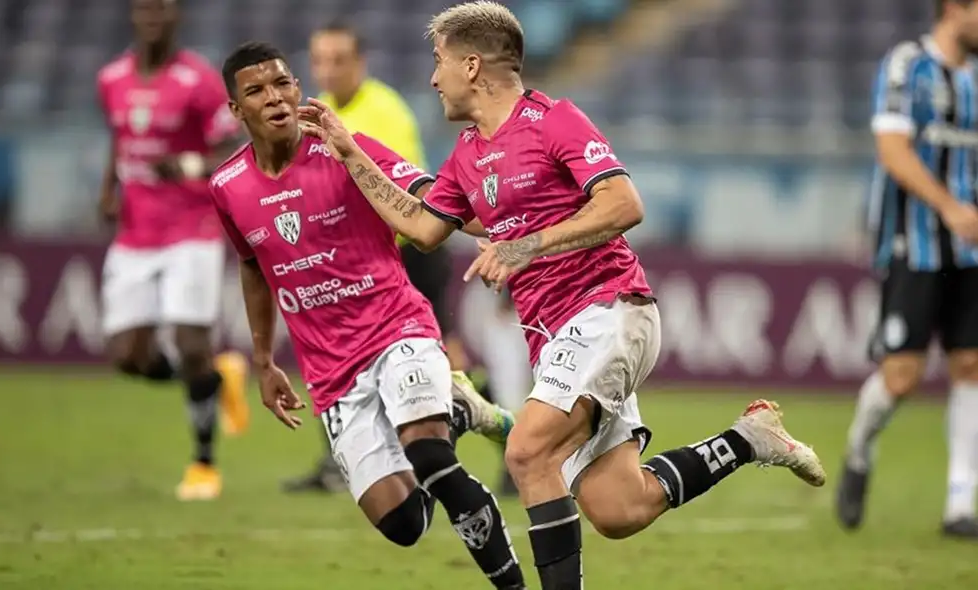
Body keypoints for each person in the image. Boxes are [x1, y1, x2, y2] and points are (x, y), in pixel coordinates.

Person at [298, 2, 826, 587]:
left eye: (439, 61)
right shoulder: (468, 154)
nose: (433, 77)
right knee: (619, 507)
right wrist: (352, 154)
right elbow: (423, 228)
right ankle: (748, 439)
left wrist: (527, 246)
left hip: (609, 308)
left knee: (526, 451)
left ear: (472, 66)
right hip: (554, 335)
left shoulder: (554, 121)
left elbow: (624, 204)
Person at [210, 41, 526, 589]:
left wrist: (517, 229)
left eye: (282, 84)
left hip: (397, 328)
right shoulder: (228, 187)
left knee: (430, 456)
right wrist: (262, 359)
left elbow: (433, 199)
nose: (275, 98)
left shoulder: (345, 147)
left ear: (298, 89)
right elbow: (252, 264)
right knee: (403, 524)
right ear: (237, 110)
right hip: (332, 368)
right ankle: (458, 411)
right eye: (256, 91)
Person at [282, 21, 482, 494]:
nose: (328, 70)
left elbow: (406, 196)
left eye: (338, 60)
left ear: (360, 62)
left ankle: (489, 419)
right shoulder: (319, 111)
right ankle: (338, 461)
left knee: (445, 357)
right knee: (338, 352)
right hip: (351, 261)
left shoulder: (385, 111)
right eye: (320, 60)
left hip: (408, 255)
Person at [96, 0, 249, 501]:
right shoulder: (111, 78)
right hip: (134, 232)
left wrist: (186, 164)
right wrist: (108, 189)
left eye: (161, 8)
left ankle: (203, 464)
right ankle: (217, 378)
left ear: (176, 16)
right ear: (133, 15)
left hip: (191, 226)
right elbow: (120, 138)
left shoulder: (199, 81)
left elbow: (230, 148)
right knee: (128, 357)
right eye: (145, 8)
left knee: (189, 341)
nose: (152, 17)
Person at [838, 0, 978, 539]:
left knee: (970, 364)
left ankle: (960, 503)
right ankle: (859, 448)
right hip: (913, 242)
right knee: (902, 375)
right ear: (955, 8)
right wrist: (949, 207)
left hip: (971, 250)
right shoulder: (907, 66)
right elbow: (893, 151)